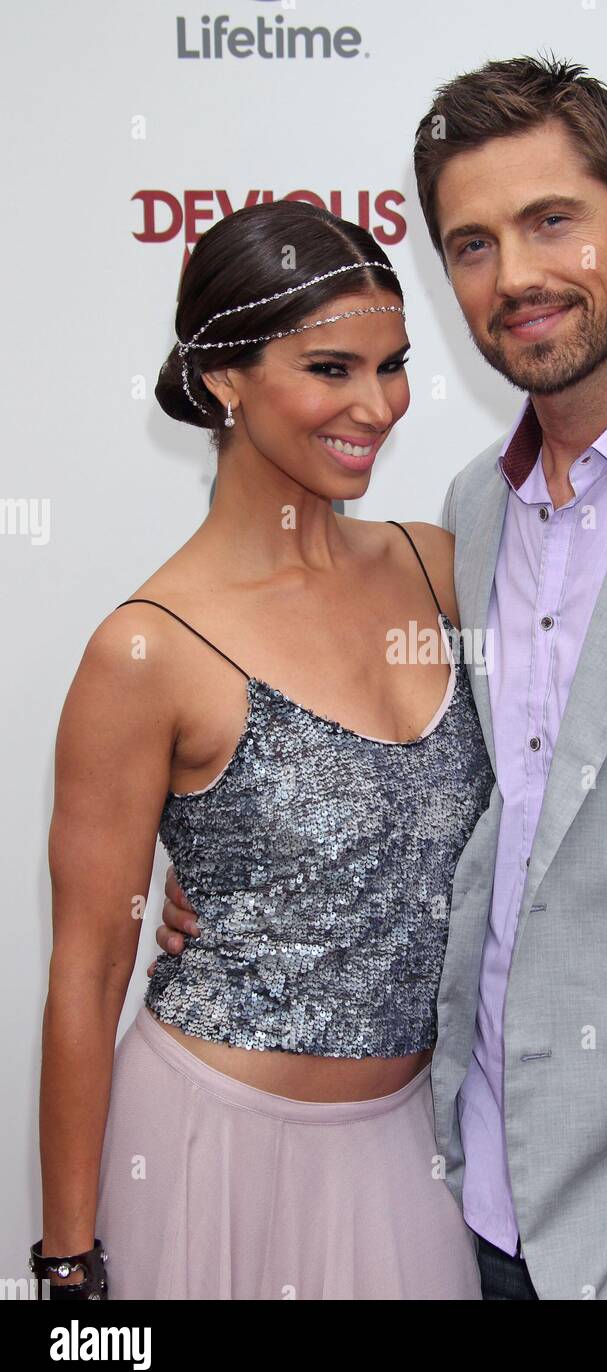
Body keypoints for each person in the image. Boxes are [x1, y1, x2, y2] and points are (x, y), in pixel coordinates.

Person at [163, 53, 607, 1301]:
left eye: (553, 221)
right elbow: (472, 795)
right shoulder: (468, 516)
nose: (516, 276)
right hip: (479, 1196)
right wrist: (244, 854)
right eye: (473, 244)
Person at [32, 198, 494, 1300]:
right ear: (225, 379)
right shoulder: (146, 648)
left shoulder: (441, 564)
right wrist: (63, 1259)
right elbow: (88, 970)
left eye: (390, 368)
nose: (374, 405)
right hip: (206, 1147)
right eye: (330, 367)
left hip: (409, 1150)